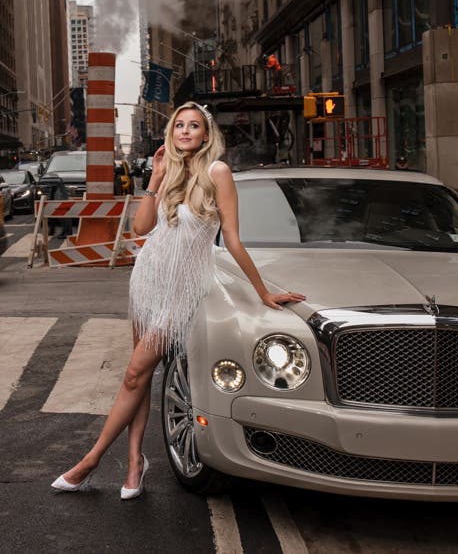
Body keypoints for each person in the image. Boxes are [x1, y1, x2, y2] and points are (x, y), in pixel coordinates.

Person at [51, 101, 306, 499]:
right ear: (172, 133)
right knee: (140, 379)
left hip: (183, 288)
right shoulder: (167, 170)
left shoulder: (218, 172)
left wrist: (263, 291)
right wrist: (154, 178)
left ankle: (91, 460)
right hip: (147, 281)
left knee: (135, 373)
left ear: (206, 134)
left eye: (194, 126)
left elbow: (233, 239)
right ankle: (136, 463)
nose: (185, 131)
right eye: (179, 126)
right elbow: (140, 228)